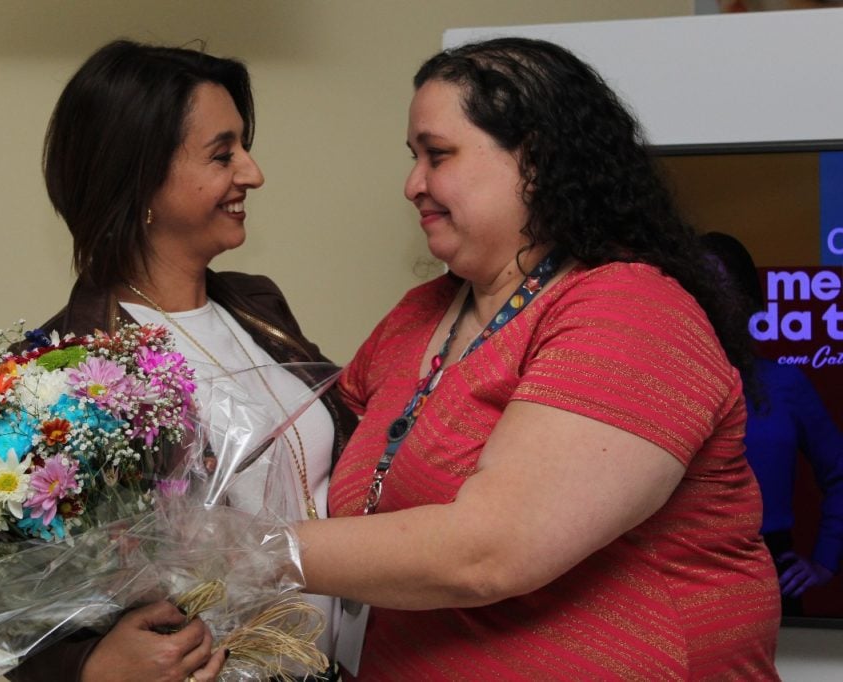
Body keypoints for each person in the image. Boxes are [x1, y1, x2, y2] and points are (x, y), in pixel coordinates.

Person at [295, 37, 781, 679]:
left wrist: (247, 552)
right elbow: (314, 456)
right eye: (413, 158)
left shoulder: (632, 308)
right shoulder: (417, 316)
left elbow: (491, 552)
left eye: (437, 155)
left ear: (537, 160)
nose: (413, 185)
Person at [6, 39, 356, 682]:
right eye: (223, 154)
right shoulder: (56, 372)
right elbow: (8, 605)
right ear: (138, 178)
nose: (252, 173)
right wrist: (87, 668)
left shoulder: (258, 305)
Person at [703, 231, 843, 616]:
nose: (710, 300)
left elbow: (840, 473)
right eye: (696, 286)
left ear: (748, 300)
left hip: (771, 571)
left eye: (720, 285)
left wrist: (824, 561)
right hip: (685, 575)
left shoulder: (785, 383)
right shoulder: (664, 384)